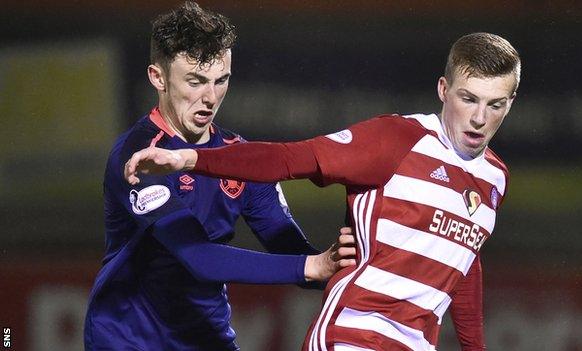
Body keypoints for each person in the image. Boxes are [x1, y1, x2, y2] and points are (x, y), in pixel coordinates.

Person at [125, 32, 521, 350]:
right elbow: (289, 159)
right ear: (443, 89)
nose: (479, 118)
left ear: (510, 103)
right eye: (468, 99)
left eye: (495, 104)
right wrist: (190, 159)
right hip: (351, 335)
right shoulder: (396, 140)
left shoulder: (494, 179)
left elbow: (463, 258)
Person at [83, 2, 357, 350]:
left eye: (220, 80)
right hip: (127, 342)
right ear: (158, 78)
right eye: (195, 81)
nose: (210, 98)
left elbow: (292, 251)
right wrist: (312, 266)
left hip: (207, 339)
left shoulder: (239, 158)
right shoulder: (138, 157)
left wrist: (352, 261)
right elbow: (199, 257)